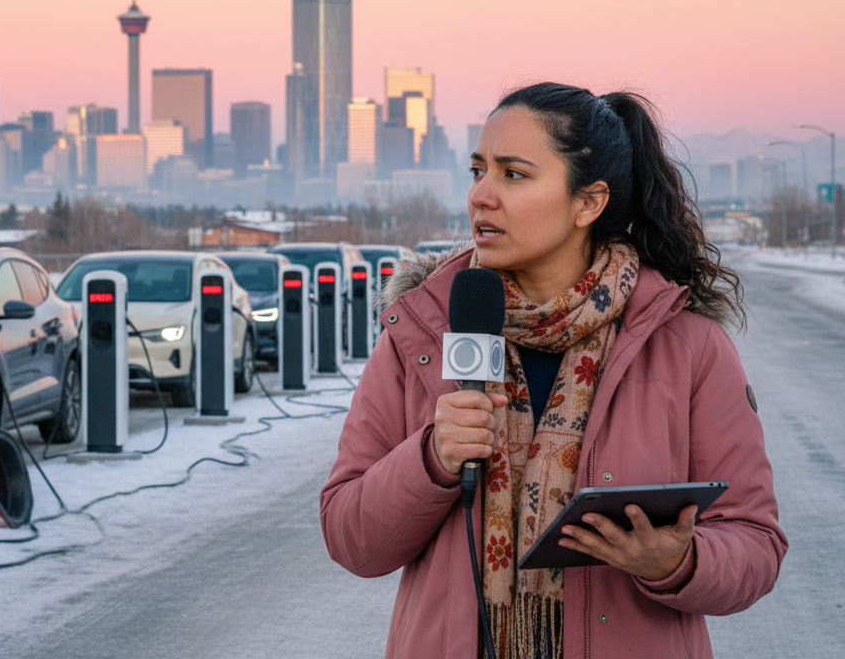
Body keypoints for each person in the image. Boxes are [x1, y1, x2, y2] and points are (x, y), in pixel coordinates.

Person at [319, 82, 786, 659]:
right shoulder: (422, 332)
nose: (481, 196)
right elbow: (350, 539)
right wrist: (433, 458)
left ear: (587, 203)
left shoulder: (687, 346)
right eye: (477, 171)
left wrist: (679, 562)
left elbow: (756, 545)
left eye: (513, 175)